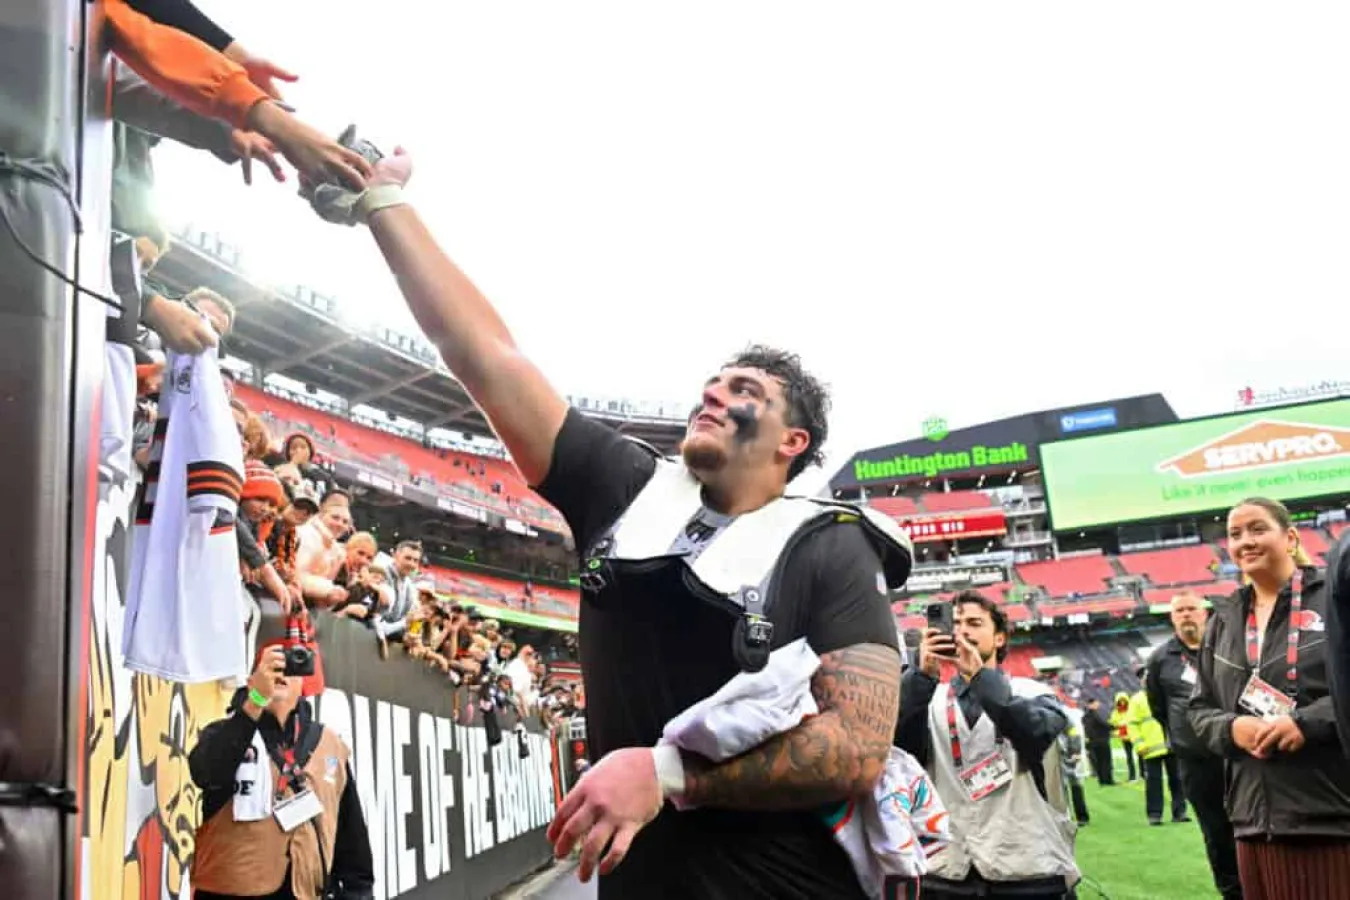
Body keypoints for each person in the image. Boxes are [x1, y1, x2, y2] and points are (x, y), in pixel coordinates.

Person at [313, 141, 914, 898]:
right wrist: (386, 204)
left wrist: (668, 774)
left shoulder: (832, 544)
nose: (713, 394)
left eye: (744, 390)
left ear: (792, 443)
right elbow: (486, 356)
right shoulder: (630, 490)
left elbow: (856, 746)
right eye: (712, 382)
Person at [1189, 497, 1350, 899]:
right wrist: (1232, 728)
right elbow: (1199, 709)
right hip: (1252, 821)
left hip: (1330, 814)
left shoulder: (1333, 597)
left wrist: (1308, 724)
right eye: (1235, 534)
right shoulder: (1223, 620)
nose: (1245, 541)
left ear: (1290, 537)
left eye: (1258, 529)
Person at [894, 592, 1078, 899]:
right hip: (947, 870)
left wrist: (980, 677)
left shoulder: (1032, 691)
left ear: (1000, 638)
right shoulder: (926, 697)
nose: (962, 631)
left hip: (1026, 867)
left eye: (974, 623)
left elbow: (1034, 732)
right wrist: (919, 678)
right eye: (955, 623)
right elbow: (899, 755)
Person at [188, 645, 374, 899]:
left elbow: (352, 841)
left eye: (292, 665)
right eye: (273, 666)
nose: (281, 673)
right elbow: (205, 771)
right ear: (253, 678)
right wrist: (255, 701)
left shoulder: (329, 745)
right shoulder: (224, 732)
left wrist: (357, 893)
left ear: (303, 682)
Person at [1146, 591, 1241, 899]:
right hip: (1196, 763)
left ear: (1205, 613)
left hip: (1236, 754)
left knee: (1250, 825)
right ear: (1172, 618)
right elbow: (1158, 707)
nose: (1186, 614)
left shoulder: (1228, 646)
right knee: (1215, 832)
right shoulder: (1160, 659)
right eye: (1179, 610)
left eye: (1191, 608)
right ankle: (1232, 892)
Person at [1127, 667, 1188, 827]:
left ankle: (1180, 812)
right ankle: (1154, 815)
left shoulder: (1166, 696)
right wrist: (1139, 744)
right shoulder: (1137, 700)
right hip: (1150, 748)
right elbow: (1131, 724)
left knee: (1177, 780)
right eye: (1144, 678)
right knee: (1153, 784)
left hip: (1171, 745)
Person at [1081, 697, 1114, 787]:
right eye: (1096, 703)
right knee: (1106, 761)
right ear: (1092, 704)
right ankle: (1108, 780)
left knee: (1099, 762)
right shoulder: (1095, 714)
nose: (1098, 705)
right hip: (1101, 740)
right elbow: (1103, 724)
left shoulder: (1085, 717)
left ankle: (1102, 780)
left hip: (1093, 742)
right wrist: (1114, 726)